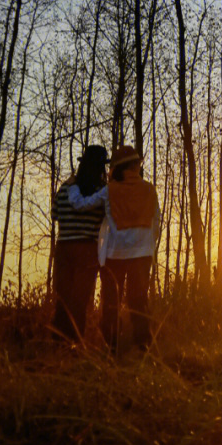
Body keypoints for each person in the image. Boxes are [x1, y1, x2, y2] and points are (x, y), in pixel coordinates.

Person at [69, 145, 159, 353]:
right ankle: (142, 346)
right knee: (139, 300)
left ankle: (112, 347)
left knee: (111, 302)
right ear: (135, 166)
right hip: (143, 253)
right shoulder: (149, 189)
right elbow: (156, 221)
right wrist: (148, 247)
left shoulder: (109, 190)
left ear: (116, 168)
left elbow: (81, 204)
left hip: (114, 254)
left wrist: (73, 186)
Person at [49, 144, 108, 342]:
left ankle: (57, 342)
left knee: (63, 298)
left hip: (64, 247)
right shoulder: (101, 191)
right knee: (79, 300)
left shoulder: (66, 188)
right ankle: (74, 343)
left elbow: (55, 214)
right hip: (88, 248)